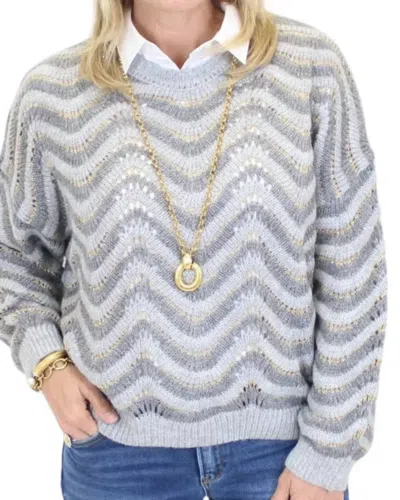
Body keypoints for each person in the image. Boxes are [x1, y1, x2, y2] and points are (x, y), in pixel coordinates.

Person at [0, 0, 387, 499]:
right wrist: (47, 363)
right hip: (116, 452)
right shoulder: (52, 94)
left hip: (283, 452)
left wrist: (330, 452)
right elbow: (15, 257)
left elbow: (354, 269)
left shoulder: (310, 68)